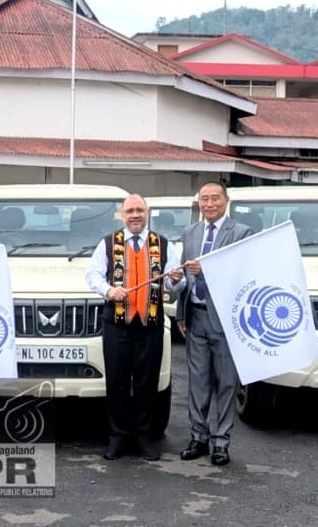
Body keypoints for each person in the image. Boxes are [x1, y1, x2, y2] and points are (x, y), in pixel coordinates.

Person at [85, 194, 183, 461]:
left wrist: (176, 279)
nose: (135, 215)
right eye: (130, 211)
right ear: (122, 215)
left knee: (146, 382)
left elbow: (174, 283)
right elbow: (92, 275)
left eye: (140, 210)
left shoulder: (163, 244)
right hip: (117, 324)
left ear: (147, 212)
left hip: (150, 323)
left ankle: (143, 436)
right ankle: (117, 436)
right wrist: (108, 290)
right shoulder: (108, 243)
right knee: (116, 381)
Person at [175, 182, 253, 467]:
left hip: (226, 318)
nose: (209, 204)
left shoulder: (241, 233)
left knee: (226, 383)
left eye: (214, 199)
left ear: (226, 201)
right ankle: (199, 437)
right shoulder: (190, 232)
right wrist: (181, 312)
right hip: (195, 315)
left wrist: (207, 270)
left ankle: (221, 442)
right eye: (204, 199)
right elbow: (185, 277)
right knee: (198, 382)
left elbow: (243, 273)